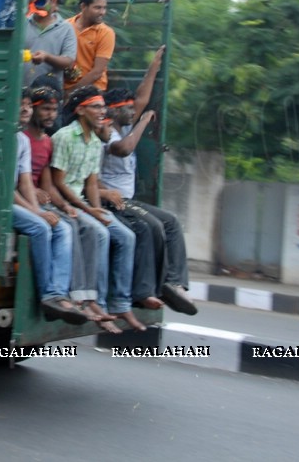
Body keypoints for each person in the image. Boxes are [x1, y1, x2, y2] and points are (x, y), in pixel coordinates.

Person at [98, 48, 197, 315]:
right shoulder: (107, 133)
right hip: (112, 201)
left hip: (127, 201)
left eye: (133, 109)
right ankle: (146, 290)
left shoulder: (125, 124)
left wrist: (153, 65)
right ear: (112, 112)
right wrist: (142, 121)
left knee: (171, 222)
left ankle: (174, 283)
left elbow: (142, 95)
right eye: (127, 109)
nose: (133, 111)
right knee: (151, 225)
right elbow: (125, 148)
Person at [52, 85, 143, 333]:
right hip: (64, 202)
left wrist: (96, 209)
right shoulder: (64, 137)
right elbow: (59, 183)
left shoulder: (94, 142)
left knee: (126, 236)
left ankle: (121, 302)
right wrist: (89, 210)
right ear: (81, 110)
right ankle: (95, 302)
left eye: (103, 107)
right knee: (100, 233)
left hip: (82, 202)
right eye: (97, 107)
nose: (103, 112)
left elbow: (91, 182)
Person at [11, 89, 86, 324]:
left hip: (18, 200)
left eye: (28, 105)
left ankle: (58, 291)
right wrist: (36, 213)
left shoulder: (22, 140)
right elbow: (5, 187)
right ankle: (48, 295)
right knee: (40, 228)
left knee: (61, 227)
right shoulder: (4, 137)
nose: (25, 109)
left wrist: (40, 211)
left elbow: (25, 182)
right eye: (20, 105)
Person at [24, 0, 77, 89]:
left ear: (54, 4)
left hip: (49, 96)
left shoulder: (66, 28)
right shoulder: (21, 23)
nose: (40, 2)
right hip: (20, 92)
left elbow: (68, 61)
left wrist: (47, 57)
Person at [65, 0, 116, 94]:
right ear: (83, 6)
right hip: (65, 87)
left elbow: (97, 72)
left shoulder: (106, 33)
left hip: (93, 90)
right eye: (97, 8)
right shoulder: (65, 26)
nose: (102, 12)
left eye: (104, 8)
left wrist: (72, 93)